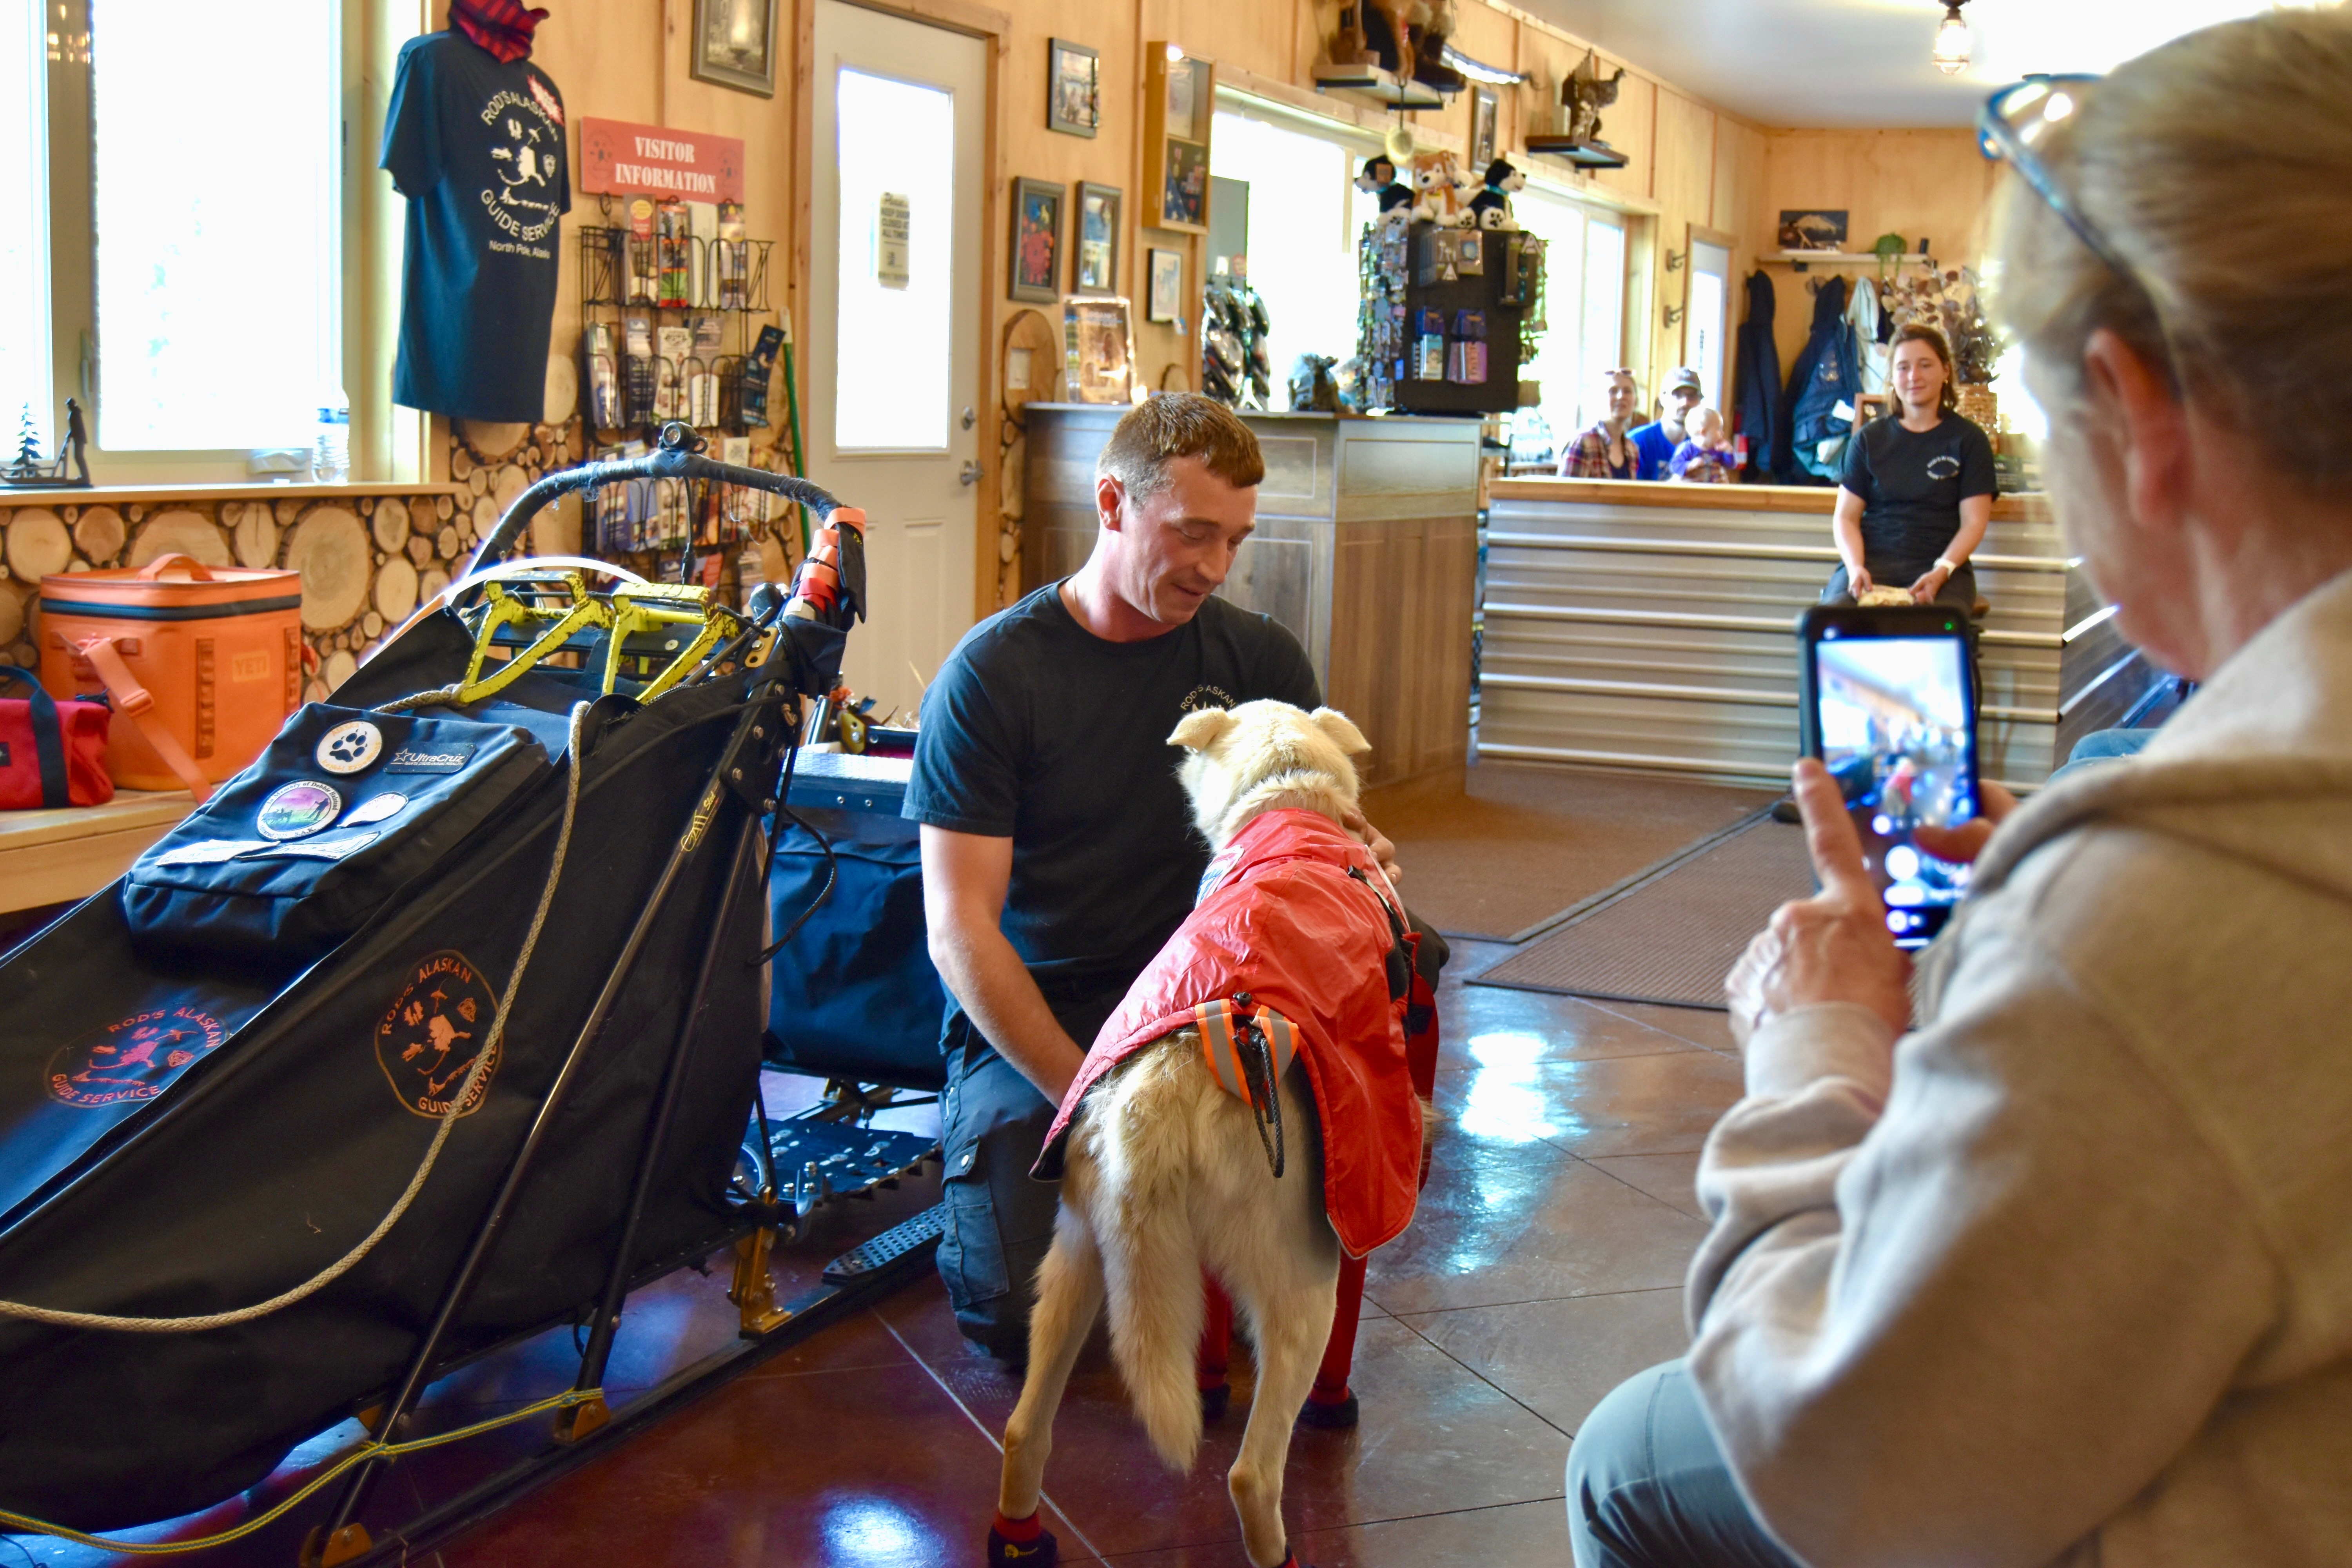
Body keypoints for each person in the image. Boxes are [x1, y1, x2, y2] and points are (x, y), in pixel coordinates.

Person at [1569, 11, 2352, 1566]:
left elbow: (1848, 1461)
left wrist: (1816, 1046)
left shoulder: (2175, 892)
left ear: (2135, 415)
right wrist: (2056, 901)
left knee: (1626, 1461)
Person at [906, 393, 1406, 1366]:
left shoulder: (1258, 658)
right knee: (1014, 1314)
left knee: (1264, 1291)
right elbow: (958, 928)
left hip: (1216, 999)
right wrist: (1089, 1102)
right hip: (1051, 1005)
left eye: (1236, 540)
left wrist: (1357, 864)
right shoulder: (994, 677)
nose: (1215, 567)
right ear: (1112, 503)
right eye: (1192, 533)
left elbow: (1318, 840)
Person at [1821, 324, 1997, 609]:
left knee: (1938, 627)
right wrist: (1855, 567)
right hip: (1870, 564)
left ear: (1946, 370)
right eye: (1903, 368)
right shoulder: (1867, 439)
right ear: (1892, 377)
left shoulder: (1970, 440)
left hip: (1944, 568)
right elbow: (1846, 518)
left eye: (1925, 365)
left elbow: (1974, 523)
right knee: (1830, 623)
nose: (1914, 376)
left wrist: (1943, 570)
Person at [1557, 368, 1639, 479]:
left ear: (1636, 401)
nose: (1621, 396)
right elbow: (1566, 490)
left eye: (1628, 391)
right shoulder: (1584, 443)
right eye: (1613, 391)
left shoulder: (1632, 450)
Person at [1628, 366, 1703, 481]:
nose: (1685, 403)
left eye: (1692, 396)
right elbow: (1629, 491)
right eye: (1677, 395)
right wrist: (1675, 485)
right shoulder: (1636, 442)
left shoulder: (1704, 444)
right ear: (1662, 398)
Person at [1669, 406, 1737, 484]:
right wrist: (1690, 465)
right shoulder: (1687, 448)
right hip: (1693, 488)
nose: (1722, 433)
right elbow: (1674, 466)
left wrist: (1729, 451)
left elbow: (1730, 465)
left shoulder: (1717, 450)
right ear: (1704, 432)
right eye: (1719, 429)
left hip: (1712, 489)